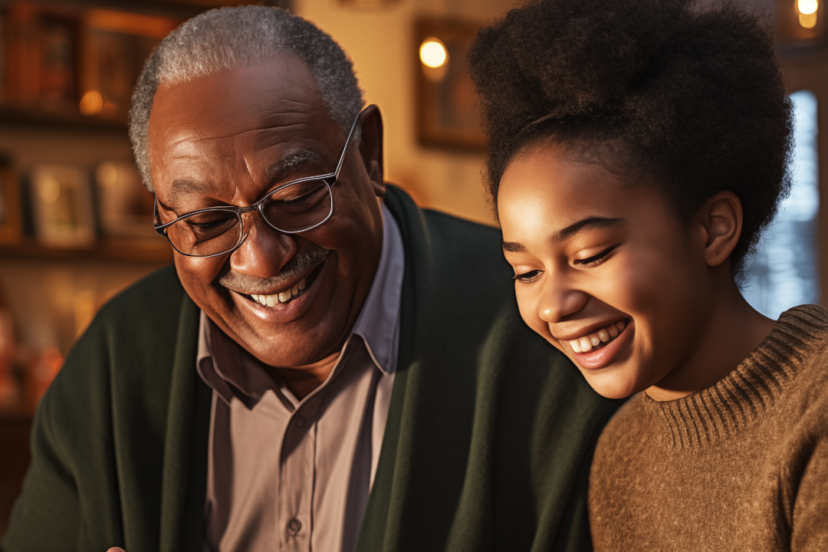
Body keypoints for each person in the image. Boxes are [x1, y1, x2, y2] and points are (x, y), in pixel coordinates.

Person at [0, 6, 618, 552]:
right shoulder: (114, 361)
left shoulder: (543, 324)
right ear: (163, 215)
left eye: (297, 195)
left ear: (368, 155)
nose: (261, 259)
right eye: (206, 221)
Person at [468, 0, 828, 549]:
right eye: (525, 270)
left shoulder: (817, 403)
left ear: (712, 229)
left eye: (590, 255)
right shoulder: (619, 452)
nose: (553, 305)